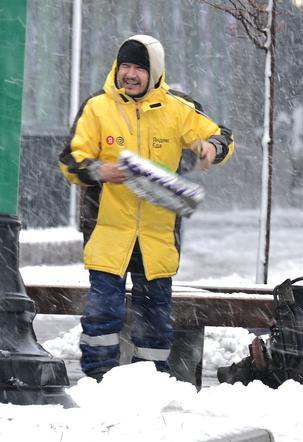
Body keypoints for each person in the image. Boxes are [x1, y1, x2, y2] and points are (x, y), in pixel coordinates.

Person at [58, 35, 234, 381]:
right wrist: (99, 170)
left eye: (139, 67)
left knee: (155, 318)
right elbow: (70, 161)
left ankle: (151, 381)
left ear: (154, 72)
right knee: (102, 314)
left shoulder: (178, 108)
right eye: (125, 65)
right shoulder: (97, 108)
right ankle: (98, 379)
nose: (130, 74)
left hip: (158, 237)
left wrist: (211, 148)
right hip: (108, 233)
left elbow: (223, 136)